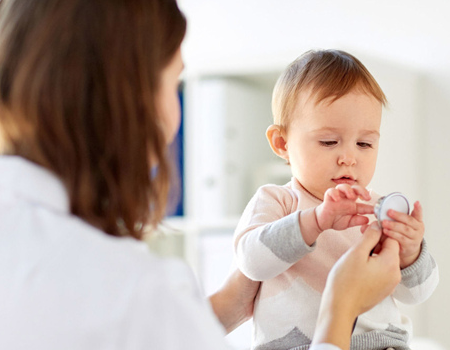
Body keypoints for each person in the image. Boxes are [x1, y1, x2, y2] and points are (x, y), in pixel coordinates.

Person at [0, 1, 400, 349]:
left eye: (365, 143)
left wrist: (231, 300)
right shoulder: (132, 290)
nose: (348, 157)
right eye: (173, 83)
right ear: (129, 100)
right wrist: (342, 306)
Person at [233, 49, 439, 350]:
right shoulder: (277, 201)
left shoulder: (379, 211)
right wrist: (314, 222)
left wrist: (411, 253)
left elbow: (418, 294)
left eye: (364, 143)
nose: (348, 158)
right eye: (329, 142)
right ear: (282, 143)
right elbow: (251, 263)